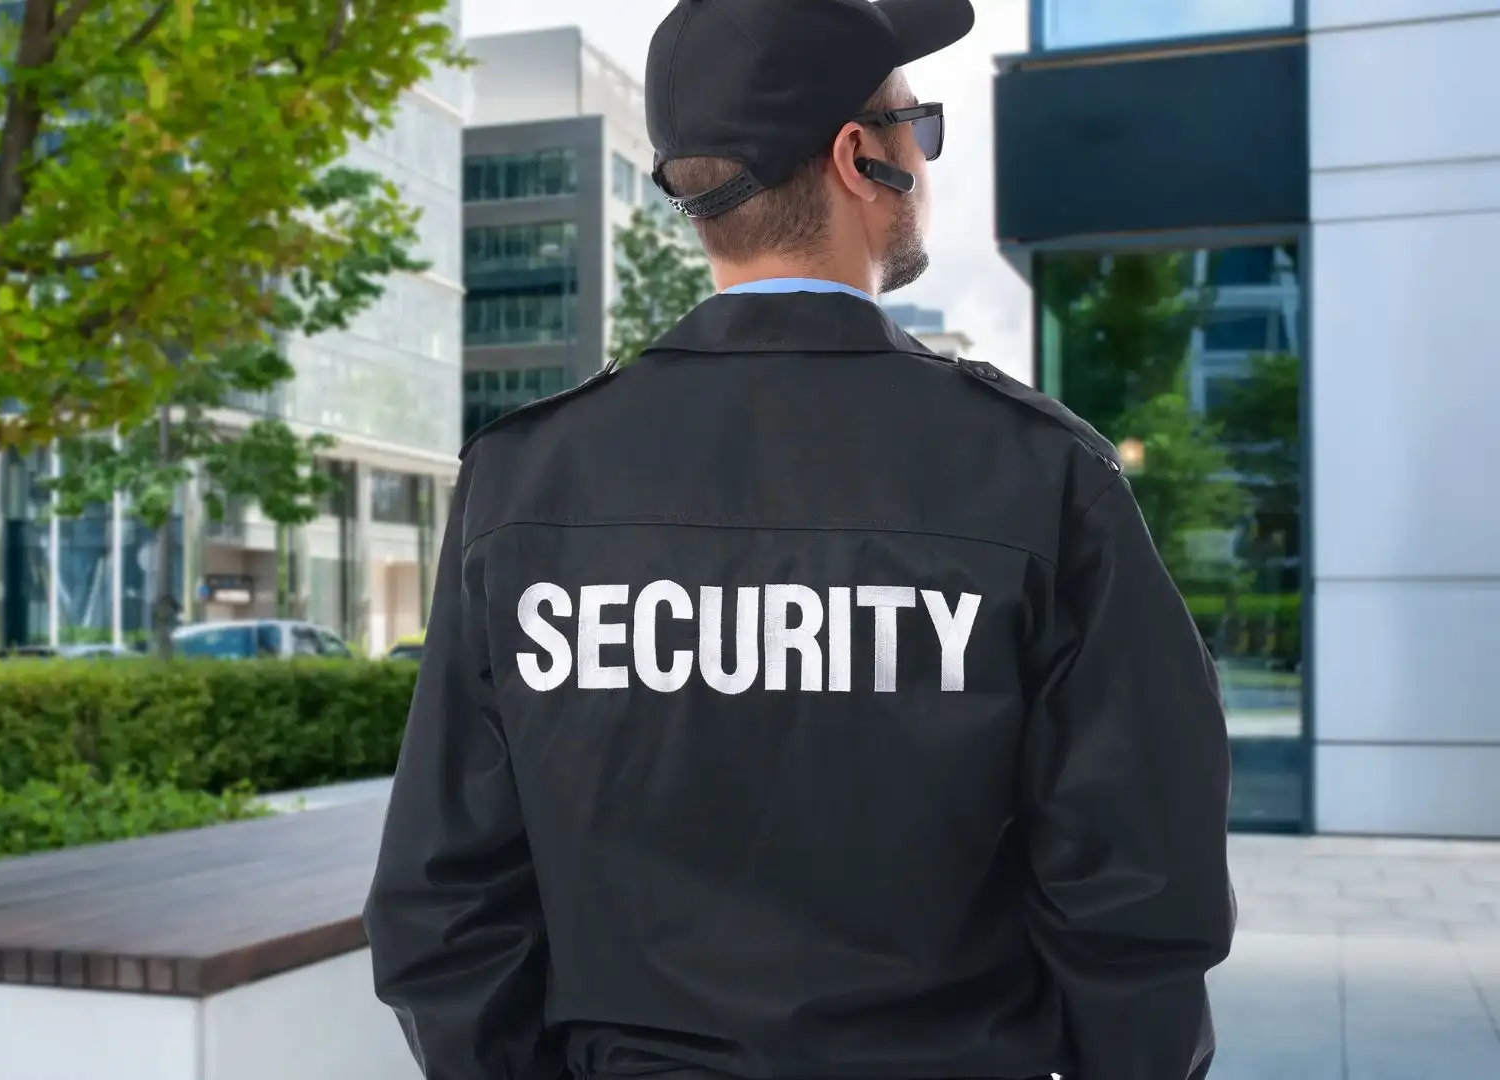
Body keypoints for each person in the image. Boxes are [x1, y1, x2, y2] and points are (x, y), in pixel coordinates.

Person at [364, 1, 1236, 1078]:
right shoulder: (1038, 474)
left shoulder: (526, 478)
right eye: (920, 126)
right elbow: (1137, 895)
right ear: (860, 158)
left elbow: (445, 905)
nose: (926, 156)